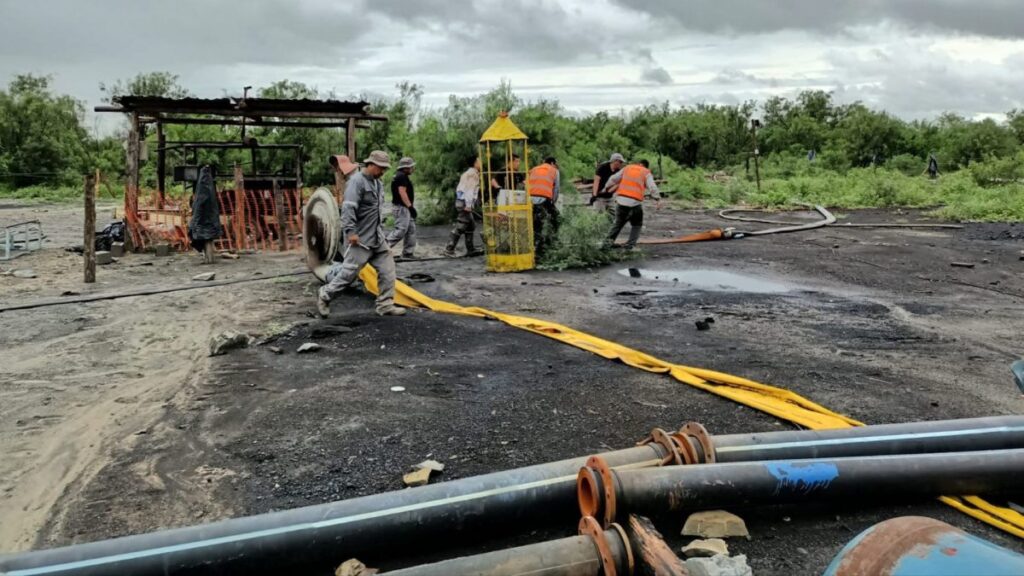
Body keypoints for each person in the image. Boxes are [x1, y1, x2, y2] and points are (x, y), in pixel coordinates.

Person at [317, 150, 406, 318]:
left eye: (385, 169)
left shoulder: (377, 183)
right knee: (348, 275)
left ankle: (385, 305)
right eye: (380, 168)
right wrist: (351, 232)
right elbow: (348, 209)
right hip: (360, 240)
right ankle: (325, 295)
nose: (383, 172)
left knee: (388, 270)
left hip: (376, 238)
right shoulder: (356, 182)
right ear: (370, 164)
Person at [602, 159, 661, 250]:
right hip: (635, 203)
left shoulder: (627, 168)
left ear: (638, 164)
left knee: (617, 223)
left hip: (621, 201)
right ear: (645, 166)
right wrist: (657, 199)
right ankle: (630, 245)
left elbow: (613, 178)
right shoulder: (646, 172)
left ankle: (606, 244)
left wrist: (606, 187)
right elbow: (652, 186)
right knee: (637, 224)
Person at [445, 156, 484, 257]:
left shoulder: (469, 173)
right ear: (475, 163)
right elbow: (469, 190)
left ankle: (470, 249)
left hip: (462, 201)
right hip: (464, 202)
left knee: (470, 225)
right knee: (461, 226)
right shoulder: (472, 174)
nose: (481, 162)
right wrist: (468, 204)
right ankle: (449, 249)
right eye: (479, 161)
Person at [386, 156, 418, 259]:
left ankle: (408, 253)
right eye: (411, 167)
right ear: (405, 168)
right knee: (401, 230)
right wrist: (410, 207)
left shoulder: (400, 175)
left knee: (411, 229)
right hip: (402, 207)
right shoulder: (401, 177)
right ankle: (383, 249)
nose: (412, 169)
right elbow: (402, 192)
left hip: (404, 207)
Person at [527, 156, 560, 254]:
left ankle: (534, 245)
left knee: (535, 223)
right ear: (553, 163)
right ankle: (553, 241)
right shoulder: (554, 171)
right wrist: (553, 202)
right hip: (544, 199)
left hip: (530, 200)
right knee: (556, 218)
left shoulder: (533, 169)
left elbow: (526, 183)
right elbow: (556, 189)